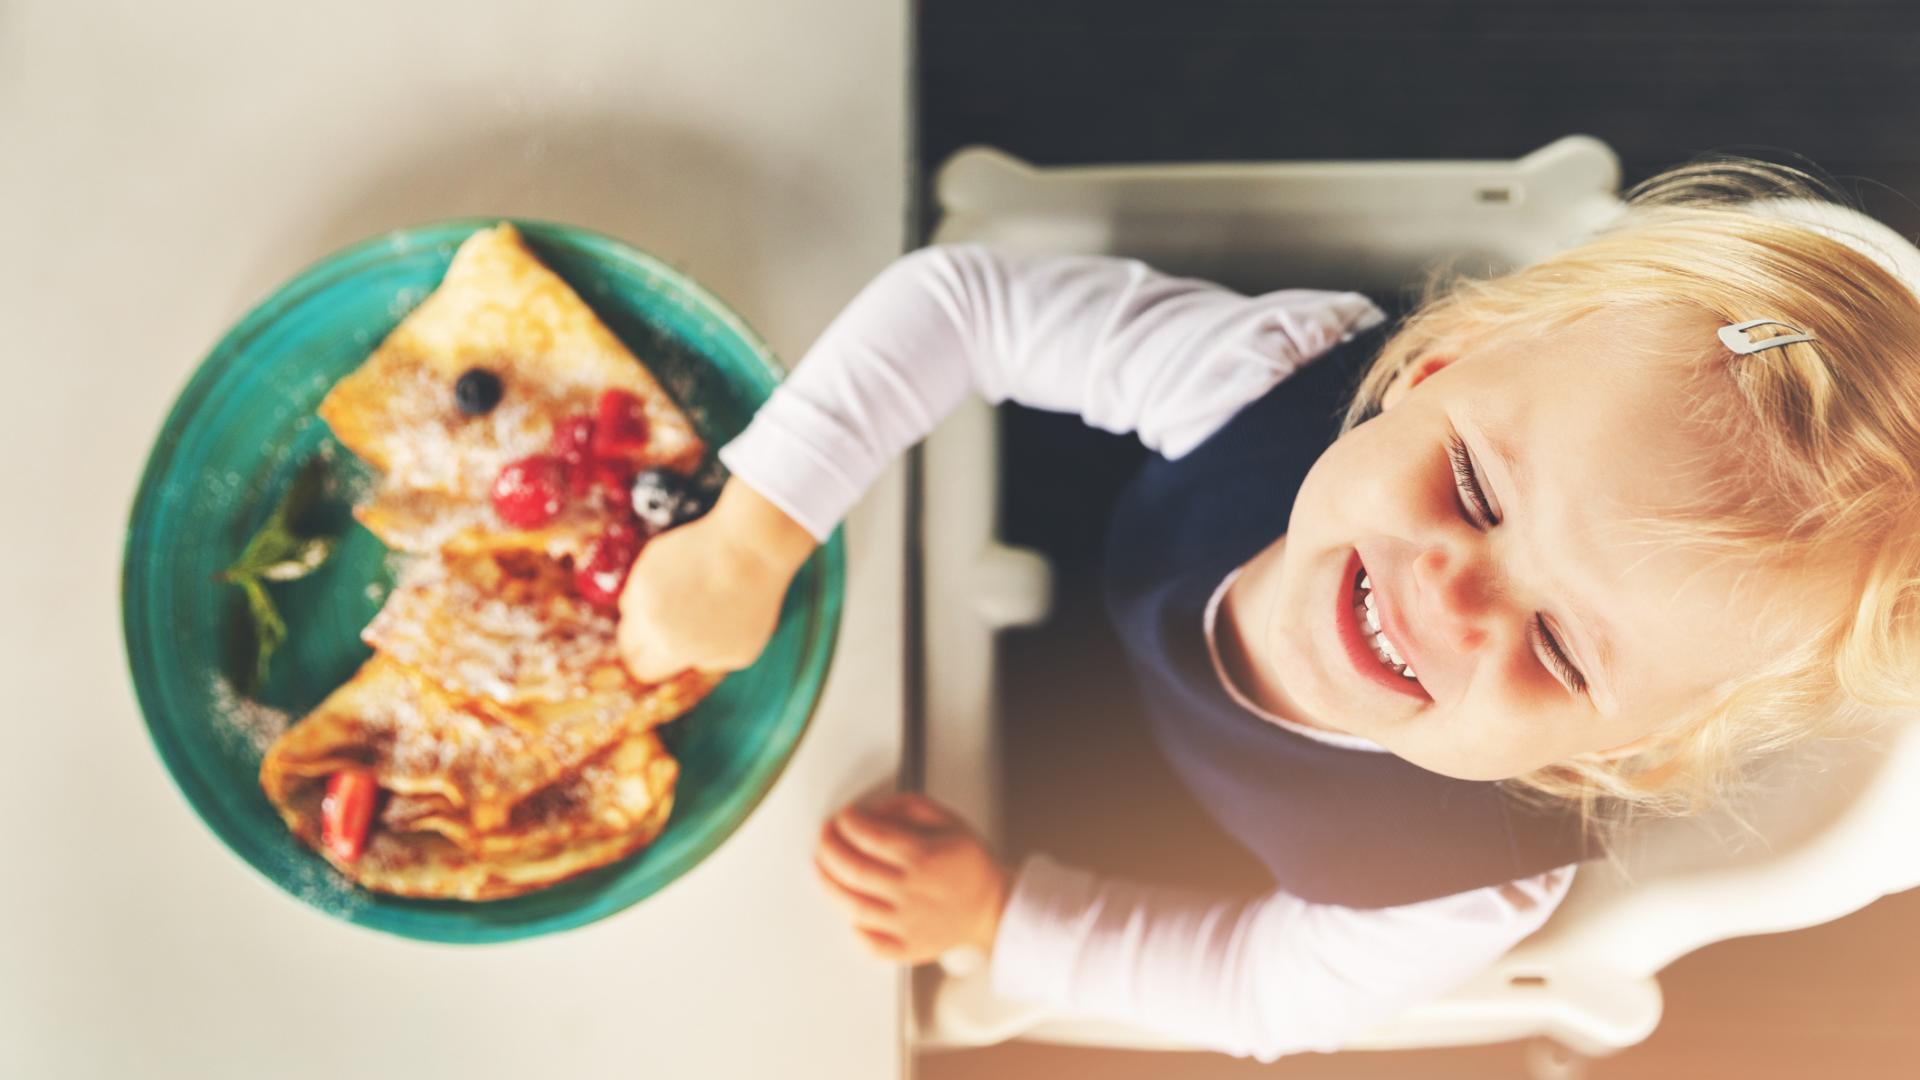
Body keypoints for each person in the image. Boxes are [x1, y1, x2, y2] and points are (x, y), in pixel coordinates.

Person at [616, 156, 1920, 1061]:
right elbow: (962, 300)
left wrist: (1006, 919)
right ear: (1434, 365)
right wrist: (753, 532)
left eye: (1562, 647)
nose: (1452, 592)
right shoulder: (1275, 379)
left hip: (1145, 811)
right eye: (1471, 485)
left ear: (1612, 754)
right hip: (1103, 549)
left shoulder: (1457, 889)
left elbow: (1259, 990)